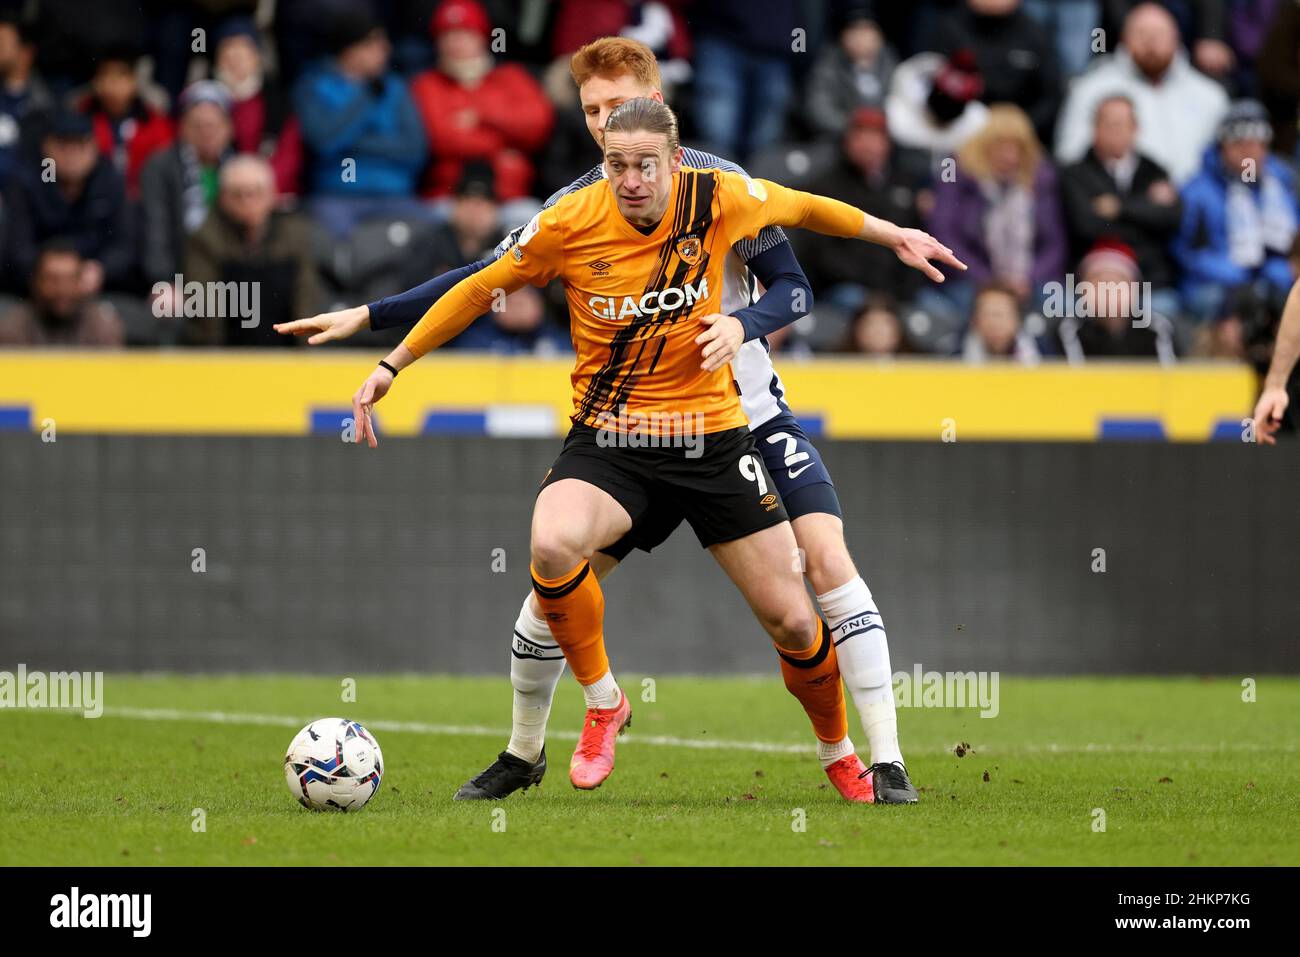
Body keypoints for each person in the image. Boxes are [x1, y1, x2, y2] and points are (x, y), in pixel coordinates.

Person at [278, 36, 961, 805]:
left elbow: (796, 284)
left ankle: (874, 757)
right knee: (549, 575)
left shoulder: (722, 186)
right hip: (622, 435)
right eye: (593, 115)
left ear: (656, 107)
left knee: (811, 590)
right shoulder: (575, 208)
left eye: (618, 111)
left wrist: (758, 317)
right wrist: (377, 329)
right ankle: (535, 744)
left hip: (738, 416)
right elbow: (482, 280)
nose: (607, 129)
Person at [1054, 2, 1229, 184]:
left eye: (1159, 34)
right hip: (1123, 203)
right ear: (1124, 38)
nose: (1151, 42)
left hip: (1196, 203)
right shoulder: (1091, 89)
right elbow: (1070, 158)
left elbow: (1226, 162)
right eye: (1142, 34)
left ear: (1176, 38)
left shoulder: (1210, 96)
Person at [408, 0, 554, 204]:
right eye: (447, 35)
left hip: (509, 197)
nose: (455, 43)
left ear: (482, 37)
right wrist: (504, 149)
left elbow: (537, 126)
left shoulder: (511, 77)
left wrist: (481, 117)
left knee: (534, 223)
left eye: (465, 33)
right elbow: (441, 139)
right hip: (450, 198)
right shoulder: (426, 85)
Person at [1173, 99, 1298, 324]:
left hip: (1273, 280)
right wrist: (1243, 275)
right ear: (1223, 147)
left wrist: (1272, 273)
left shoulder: (1284, 185)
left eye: (1256, 144)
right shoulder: (1196, 192)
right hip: (1213, 284)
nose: (1249, 152)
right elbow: (1186, 253)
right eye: (1240, 144)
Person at [182, 154, 319, 346]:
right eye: (238, 194)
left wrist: (308, 354)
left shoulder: (295, 235)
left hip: (287, 355)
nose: (248, 201)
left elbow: (306, 298)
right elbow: (205, 309)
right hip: (229, 354)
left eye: (256, 193)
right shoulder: (206, 238)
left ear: (272, 195)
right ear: (223, 199)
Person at [3, 110, 134, 295]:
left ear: (94, 147)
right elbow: (17, 249)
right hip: (38, 287)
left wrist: (101, 269)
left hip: (95, 285)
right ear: (46, 147)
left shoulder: (110, 179)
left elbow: (124, 245)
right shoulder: (27, 181)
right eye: (63, 144)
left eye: (80, 144)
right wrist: (49, 273)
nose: (72, 154)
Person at [0, 240, 124, 346]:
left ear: (81, 281)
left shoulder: (103, 327)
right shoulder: (12, 328)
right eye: (53, 280)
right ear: (35, 281)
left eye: (70, 279)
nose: (62, 289)